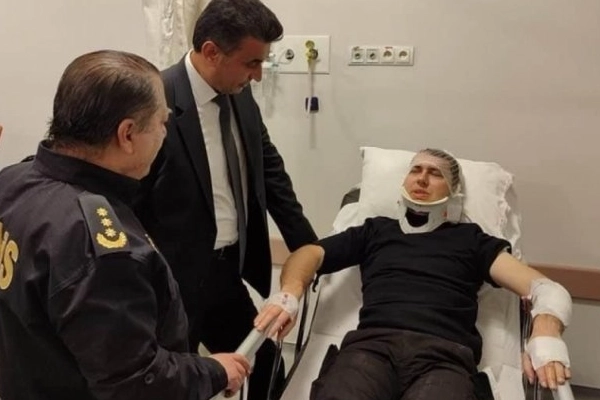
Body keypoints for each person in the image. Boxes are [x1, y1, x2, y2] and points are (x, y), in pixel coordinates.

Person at [0, 50, 250, 400]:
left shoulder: (13, 181)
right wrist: (214, 371)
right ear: (127, 135)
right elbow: (134, 382)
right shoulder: (102, 249)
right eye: (162, 123)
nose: (164, 134)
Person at [255, 148, 573, 400]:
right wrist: (290, 293)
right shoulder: (375, 231)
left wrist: (545, 328)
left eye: (435, 173)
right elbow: (309, 254)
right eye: (415, 170)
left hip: (444, 357)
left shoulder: (472, 241)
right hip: (370, 349)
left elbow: (545, 289)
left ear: (454, 190)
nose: (421, 179)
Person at [134, 0, 317, 398]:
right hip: (170, 281)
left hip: (223, 271)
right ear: (212, 51)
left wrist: (309, 248)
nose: (258, 75)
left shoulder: (238, 94)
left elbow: (270, 174)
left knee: (265, 366)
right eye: (251, 63)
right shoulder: (154, 99)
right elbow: (126, 196)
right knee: (173, 385)